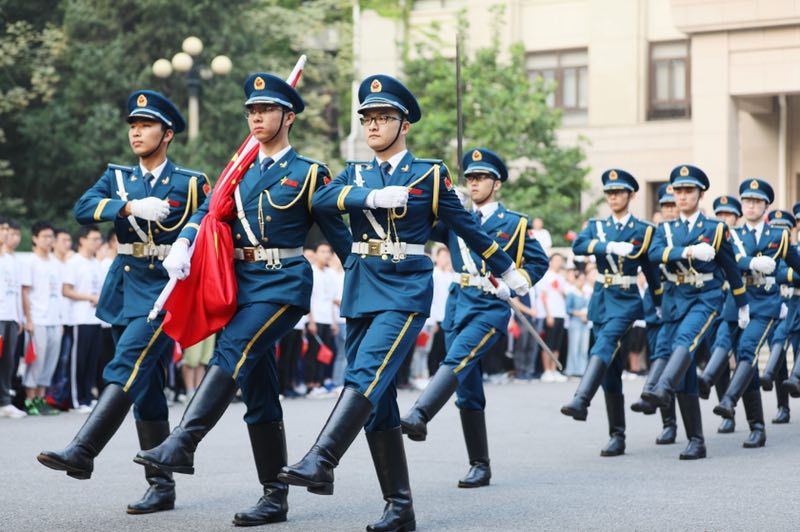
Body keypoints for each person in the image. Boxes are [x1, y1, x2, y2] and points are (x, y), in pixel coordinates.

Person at [279, 75, 530, 532]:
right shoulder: (354, 172)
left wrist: (504, 267)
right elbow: (322, 199)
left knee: (366, 372)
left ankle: (323, 456)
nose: (373, 125)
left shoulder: (429, 174)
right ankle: (399, 508)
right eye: (368, 118)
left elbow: (467, 228)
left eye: (383, 118)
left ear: (404, 125)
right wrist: (369, 196)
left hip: (405, 289)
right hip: (363, 286)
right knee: (379, 399)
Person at [132, 73, 350, 526]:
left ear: (288, 117)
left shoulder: (309, 172)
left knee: (234, 347)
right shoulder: (239, 172)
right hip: (242, 283)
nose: (256, 117)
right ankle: (274, 497)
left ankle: (183, 442)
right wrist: (185, 239)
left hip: (283, 283)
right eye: (251, 111)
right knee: (259, 389)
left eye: (266, 110)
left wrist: (366, 285)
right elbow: (206, 211)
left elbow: (338, 233)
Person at [37, 90, 208, 514]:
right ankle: (161, 486)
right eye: (132, 125)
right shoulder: (117, 178)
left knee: (128, 363)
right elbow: (82, 209)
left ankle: (83, 449)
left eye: (145, 125)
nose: (136, 132)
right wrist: (130, 205)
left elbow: (208, 216)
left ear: (167, 133)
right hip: (126, 286)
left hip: (165, 291)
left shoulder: (189, 182)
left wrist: (186, 240)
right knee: (145, 387)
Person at [400, 147, 548, 488]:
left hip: (489, 305)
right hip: (458, 303)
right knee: (466, 385)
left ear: (496, 184)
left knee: (458, 358)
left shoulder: (515, 224)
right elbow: (422, 219)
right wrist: (439, 193)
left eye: (481, 178)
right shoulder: (457, 218)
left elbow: (537, 264)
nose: (475, 183)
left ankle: (420, 413)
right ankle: (479, 465)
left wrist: (517, 285)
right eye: (470, 178)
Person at [643, 165, 749, 460]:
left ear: (700, 194)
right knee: (686, 371)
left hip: (706, 297)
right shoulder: (664, 229)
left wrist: (742, 305)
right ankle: (696, 440)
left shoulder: (715, 229)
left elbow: (731, 269)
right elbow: (653, 255)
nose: (682, 196)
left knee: (686, 340)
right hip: (676, 298)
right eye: (678, 191)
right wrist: (687, 252)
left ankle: (662, 386)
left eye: (688, 191)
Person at [561, 169, 661, 458]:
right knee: (611, 370)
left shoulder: (643, 230)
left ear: (631, 195)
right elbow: (578, 246)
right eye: (609, 193)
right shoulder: (596, 226)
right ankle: (617, 435)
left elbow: (651, 270)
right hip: (602, 300)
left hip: (627, 299)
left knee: (604, 344)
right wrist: (607, 246)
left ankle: (581, 398)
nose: (613, 197)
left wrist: (657, 302)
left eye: (619, 192)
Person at [700, 179, 800, 448]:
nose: (751, 206)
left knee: (747, 350)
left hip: (765, 303)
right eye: (747, 201)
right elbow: (727, 261)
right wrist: (751, 262)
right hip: (737, 300)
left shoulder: (778, 236)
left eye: (756, 201)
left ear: (766, 206)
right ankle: (753, 422)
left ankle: (729, 400)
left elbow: (795, 264)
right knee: (723, 343)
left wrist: (782, 273)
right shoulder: (730, 234)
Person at [630, 183, 679, 444]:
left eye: (673, 205)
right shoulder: (654, 234)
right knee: (658, 360)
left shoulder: (683, 233)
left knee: (676, 365)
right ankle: (668, 423)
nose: (670, 210)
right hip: (654, 306)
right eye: (666, 206)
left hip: (680, 306)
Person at [694, 195, 742, 435]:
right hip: (714, 302)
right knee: (718, 354)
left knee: (743, 357)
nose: (724, 219)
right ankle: (726, 411)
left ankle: (755, 419)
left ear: (736, 218)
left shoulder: (742, 239)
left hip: (739, 302)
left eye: (729, 215)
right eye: (720, 215)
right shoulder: (708, 238)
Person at [21, 221, 63, 416]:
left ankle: (41, 397)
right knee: (37, 360)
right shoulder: (30, 262)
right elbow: (25, 292)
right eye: (44, 237)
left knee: (51, 360)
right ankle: (29, 399)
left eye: (51, 237)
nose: (48, 241)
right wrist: (28, 319)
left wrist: (61, 318)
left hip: (55, 319)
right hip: (38, 319)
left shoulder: (56, 262)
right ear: (35, 239)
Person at [760, 208, 798, 424]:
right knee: (779, 361)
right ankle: (783, 406)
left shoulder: (791, 251)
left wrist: (786, 276)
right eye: (775, 228)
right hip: (774, 309)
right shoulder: (768, 252)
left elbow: (782, 274)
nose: (779, 233)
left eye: (783, 228)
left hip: (792, 305)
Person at [62, 224, 104, 413]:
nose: (97, 242)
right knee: (78, 361)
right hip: (79, 318)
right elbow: (66, 290)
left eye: (98, 239)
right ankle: (76, 400)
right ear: (83, 240)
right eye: (94, 239)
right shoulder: (74, 262)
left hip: (95, 319)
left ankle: (87, 397)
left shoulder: (96, 263)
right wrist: (90, 298)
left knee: (91, 360)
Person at [0, 217, 25, 418]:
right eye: (2, 229)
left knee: (8, 360)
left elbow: (16, 291)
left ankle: (5, 401)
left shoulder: (10, 260)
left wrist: (19, 318)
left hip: (10, 317)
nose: (6, 233)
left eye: (7, 229)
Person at [539, 253, 569, 382]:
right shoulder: (546, 276)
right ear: (550, 261)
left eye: (560, 260)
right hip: (550, 314)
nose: (558, 262)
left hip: (560, 313)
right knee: (548, 344)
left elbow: (564, 295)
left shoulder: (561, 277)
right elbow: (543, 296)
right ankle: (546, 371)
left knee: (557, 344)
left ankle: (554, 369)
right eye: (556, 260)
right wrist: (548, 314)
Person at [564, 272, 590, 377]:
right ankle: (572, 370)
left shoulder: (585, 293)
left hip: (584, 323)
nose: (582, 282)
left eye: (584, 279)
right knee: (574, 347)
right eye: (580, 279)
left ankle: (582, 370)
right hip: (575, 322)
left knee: (584, 348)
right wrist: (579, 314)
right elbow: (568, 309)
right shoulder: (571, 293)